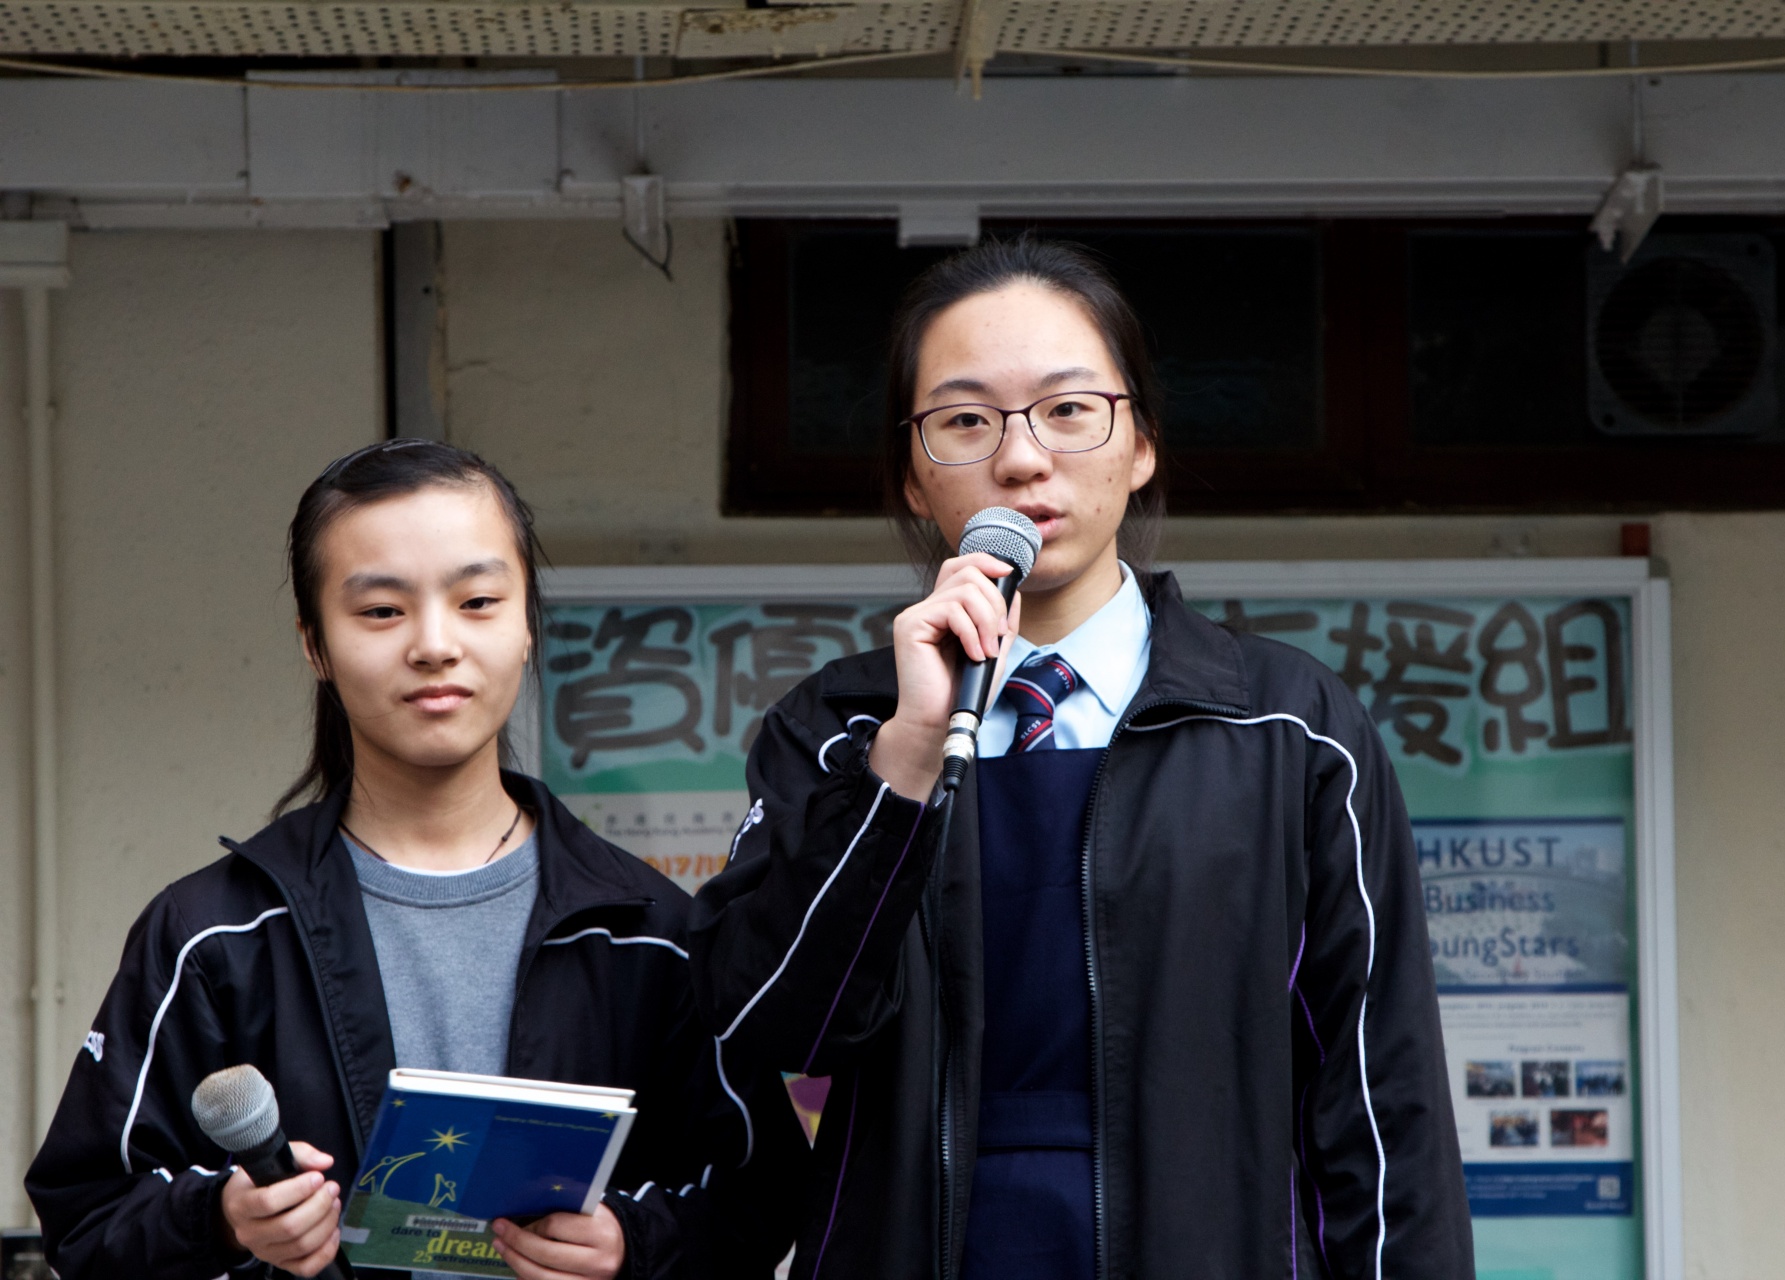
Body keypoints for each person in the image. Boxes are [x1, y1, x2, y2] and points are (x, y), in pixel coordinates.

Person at [688, 239, 1474, 1280]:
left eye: (1068, 409)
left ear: (1141, 443)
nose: (1022, 460)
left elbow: (1381, 1103)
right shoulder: (835, 731)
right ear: (912, 476)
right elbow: (768, 1023)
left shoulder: (1290, 732)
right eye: (966, 421)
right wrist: (907, 755)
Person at [27, 440, 805, 1279]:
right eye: (381, 611)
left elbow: (762, 1198)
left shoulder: (653, 933)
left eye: (477, 601)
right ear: (315, 646)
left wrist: (632, 1243)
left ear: (527, 626)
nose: (435, 644)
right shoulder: (214, 934)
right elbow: (86, 1215)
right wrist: (222, 1219)